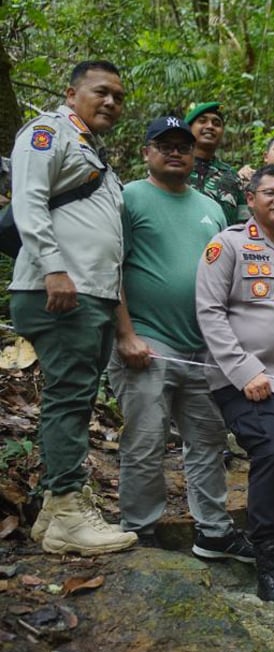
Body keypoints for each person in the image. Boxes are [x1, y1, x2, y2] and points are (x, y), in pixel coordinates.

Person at [109, 115, 252, 560]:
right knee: (146, 440)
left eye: (183, 146)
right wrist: (126, 334)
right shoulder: (128, 197)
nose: (176, 152)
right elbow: (108, 266)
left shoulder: (209, 205)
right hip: (147, 342)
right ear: (146, 151)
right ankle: (140, 528)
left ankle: (212, 529)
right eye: (165, 144)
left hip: (203, 348)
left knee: (208, 441)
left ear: (194, 155)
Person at [12, 60, 138, 555]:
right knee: (68, 397)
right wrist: (52, 268)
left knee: (79, 396)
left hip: (91, 295)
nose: (111, 102)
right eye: (101, 92)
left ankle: (53, 511)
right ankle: (67, 509)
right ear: (71, 93)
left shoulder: (96, 155)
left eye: (119, 97)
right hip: (61, 290)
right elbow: (29, 200)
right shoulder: (49, 133)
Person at [195, 164, 274, 611]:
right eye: (270, 192)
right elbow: (209, 312)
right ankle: (270, 569)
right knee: (270, 451)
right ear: (251, 198)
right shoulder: (227, 245)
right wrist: (244, 370)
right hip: (242, 378)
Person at [184, 102, 249, 225]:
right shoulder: (175, 168)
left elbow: (243, 223)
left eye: (216, 123)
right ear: (189, 128)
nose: (210, 126)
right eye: (202, 121)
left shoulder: (231, 176)